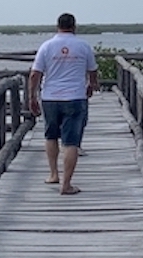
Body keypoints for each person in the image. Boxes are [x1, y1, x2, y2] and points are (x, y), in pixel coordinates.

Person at [28, 13, 99, 195]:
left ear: (57, 26)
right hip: (75, 97)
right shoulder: (83, 46)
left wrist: (32, 97)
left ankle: (53, 174)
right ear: (74, 26)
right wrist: (91, 85)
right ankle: (66, 185)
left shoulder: (47, 46)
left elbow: (35, 74)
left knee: (50, 136)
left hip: (50, 98)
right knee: (71, 142)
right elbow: (92, 71)